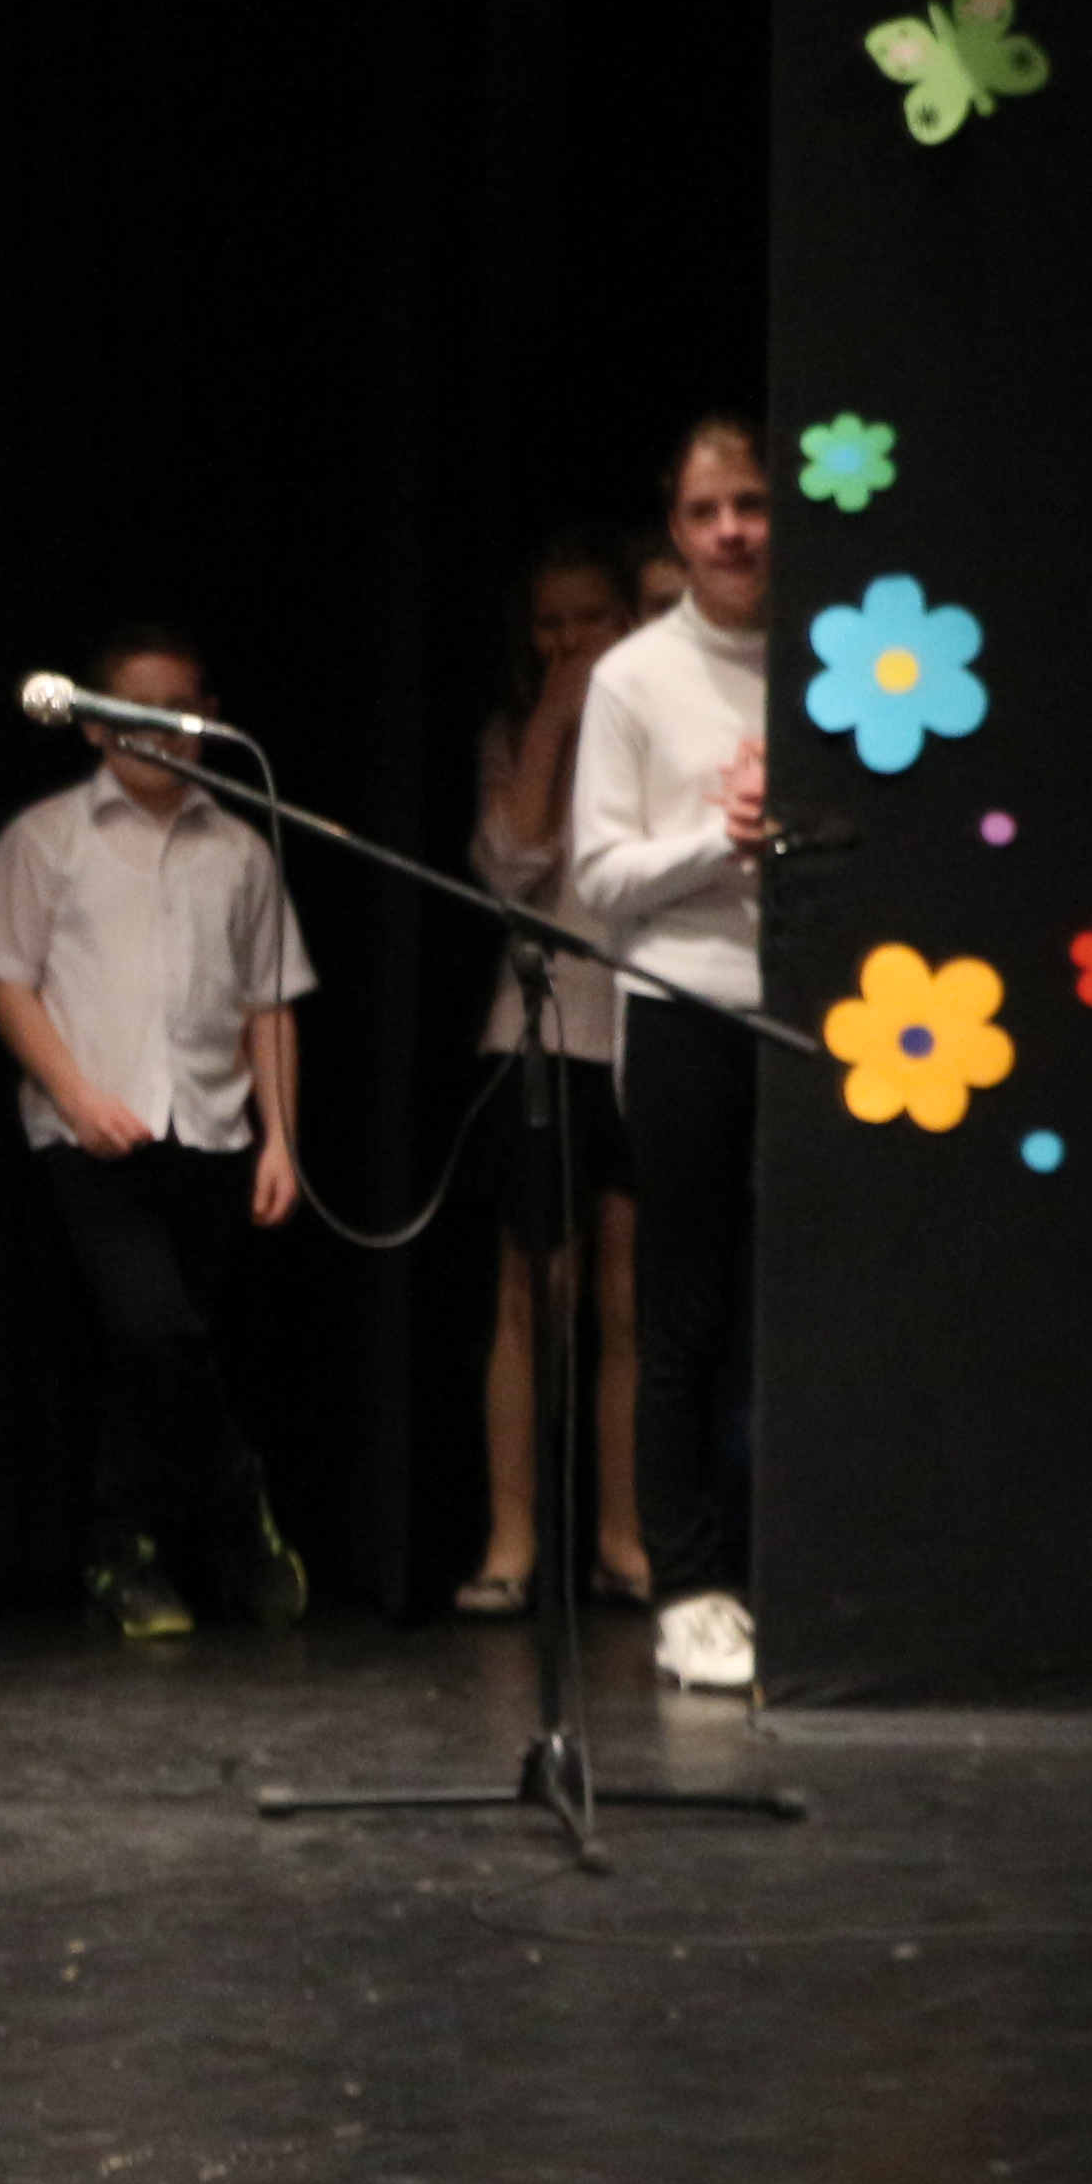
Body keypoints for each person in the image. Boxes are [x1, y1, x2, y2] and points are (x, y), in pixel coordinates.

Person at [0, 623, 317, 1639]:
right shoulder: (48, 839)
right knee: (153, 1330)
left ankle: (125, 1548)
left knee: (156, 1354)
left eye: (180, 712)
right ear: (94, 723)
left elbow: (269, 1005)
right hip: (93, 1137)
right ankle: (238, 1504)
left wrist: (280, 1139)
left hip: (209, 1131)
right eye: (136, 712)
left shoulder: (241, 850)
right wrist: (75, 1095)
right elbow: (2, 977)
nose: (160, 732)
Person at [569, 417, 778, 1693]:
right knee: (683, 1306)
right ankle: (688, 1584)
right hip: (687, 1009)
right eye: (706, 512)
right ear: (675, 526)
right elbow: (598, 877)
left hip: (835, 1019)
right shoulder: (634, 678)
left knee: (805, 1300)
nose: (733, 532)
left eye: (751, 504)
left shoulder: (839, 658)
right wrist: (724, 840)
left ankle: (788, 1564)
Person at [457, 530, 649, 1618]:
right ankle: (512, 1538)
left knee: (628, 1302)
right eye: (551, 622)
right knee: (532, 1296)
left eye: (592, 618)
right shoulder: (513, 733)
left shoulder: (663, 724)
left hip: (643, 1034)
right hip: (541, 1034)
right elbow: (510, 864)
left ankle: (623, 1539)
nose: (571, 640)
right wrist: (552, 726)